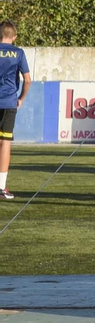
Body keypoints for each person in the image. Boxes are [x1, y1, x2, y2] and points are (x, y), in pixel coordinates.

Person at [0, 21, 31, 200]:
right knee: (5, 141)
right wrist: (21, 98)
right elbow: (28, 80)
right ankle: (1, 187)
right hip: (8, 101)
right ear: (14, 37)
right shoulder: (18, 53)